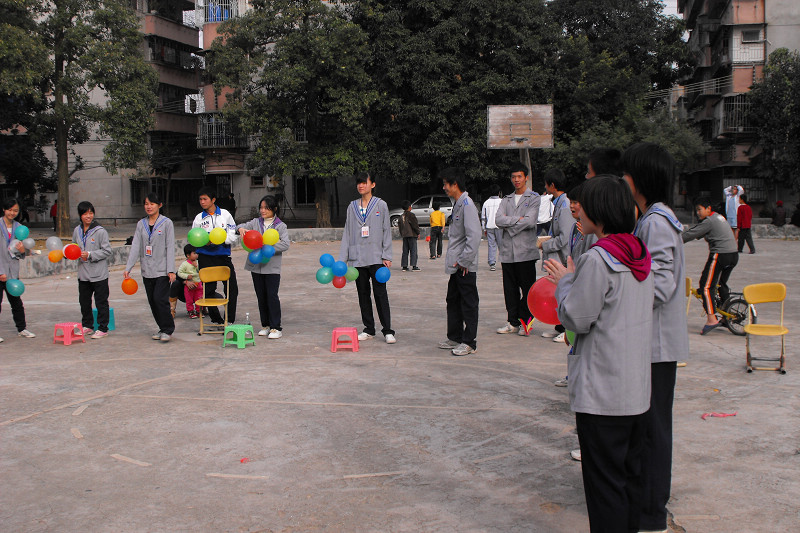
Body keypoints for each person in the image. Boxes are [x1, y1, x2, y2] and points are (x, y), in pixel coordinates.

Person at [543, 175, 654, 533]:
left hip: (602, 395)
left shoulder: (598, 259)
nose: (578, 209)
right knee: (629, 481)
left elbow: (576, 316)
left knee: (604, 487)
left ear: (600, 212)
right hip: (634, 391)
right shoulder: (638, 253)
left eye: (584, 204)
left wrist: (565, 280)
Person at [622, 142, 689, 532]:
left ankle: (650, 513)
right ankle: (646, 504)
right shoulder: (650, 218)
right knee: (648, 429)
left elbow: (660, 286)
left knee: (652, 431)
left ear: (641, 179)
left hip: (656, 346)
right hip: (651, 344)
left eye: (627, 174)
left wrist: (618, 293)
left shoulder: (655, 223)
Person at [338, 172, 395, 344]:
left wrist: (387, 255)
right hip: (357, 258)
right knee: (363, 294)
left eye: (364, 182)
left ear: (373, 185)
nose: (361, 185)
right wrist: (343, 259)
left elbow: (387, 231)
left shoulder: (381, 205)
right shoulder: (352, 206)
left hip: (376, 257)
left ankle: (388, 330)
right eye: (359, 183)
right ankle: (369, 328)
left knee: (380, 294)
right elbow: (347, 233)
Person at [437, 167, 481, 356]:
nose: (444, 187)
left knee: (468, 303)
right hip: (457, 265)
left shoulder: (468, 205)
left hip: (464, 266)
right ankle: (454, 336)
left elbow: (475, 235)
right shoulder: (458, 204)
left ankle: (469, 341)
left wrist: (464, 261)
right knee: (453, 300)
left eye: (446, 184)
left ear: (455, 184)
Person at [493, 163, 540, 336]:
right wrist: (517, 220)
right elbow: (498, 220)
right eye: (513, 177)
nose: (516, 180)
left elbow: (530, 221)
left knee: (528, 289)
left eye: (519, 176)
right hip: (508, 253)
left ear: (526, 177)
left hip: (526, 252)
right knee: (510, 290)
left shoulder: (534, 198)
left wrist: (509, 223)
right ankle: (512, 322)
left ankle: (526, 322)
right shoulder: (506, 199)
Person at [123, 193, 176, 342]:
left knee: (160, 299)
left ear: (159, 205)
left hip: (162, 269)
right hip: (147, 270)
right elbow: (136, 246)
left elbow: (170, 246)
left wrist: (171, 270)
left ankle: (168, 329)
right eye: (146, 204)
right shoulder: (141, 224)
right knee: (152, 301)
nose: (148, 206)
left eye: (152, 203)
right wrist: (129, 267)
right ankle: (162, 328)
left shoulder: (166, 223)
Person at [681, 196, 738, 335]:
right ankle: (727, 316)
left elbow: (689, 235)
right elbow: (698, 232)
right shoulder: (719, 217)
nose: (698, 213)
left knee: (706, 286)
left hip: (720, 254)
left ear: (708, 209)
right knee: (721, 284)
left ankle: (712, 319)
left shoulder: (709, 222)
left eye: (699, 209)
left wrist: (673, 240)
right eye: (696, 210)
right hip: (733, 255)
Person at [237, 194, 291, 338]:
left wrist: (267, 245)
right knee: (261, 296)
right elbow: (240, 226)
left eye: (266, 208)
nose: (262, 211)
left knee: (272, 296)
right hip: (256, 266)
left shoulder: (280, 226)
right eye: (261, 208)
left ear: (274, 209)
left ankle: (276, 327)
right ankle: (265, 325)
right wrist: (241, 229)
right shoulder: (255, 222)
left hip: (272, 267)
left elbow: (285, 244)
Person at [192, 187, 238, 324]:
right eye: (200, 199)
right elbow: (194, 237)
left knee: (232, 288)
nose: (202, 202)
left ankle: (229, 319)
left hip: (223, 256)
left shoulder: (225, 214)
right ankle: (216, 319)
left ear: (213, 200)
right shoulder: (198, 218)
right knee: (208, 290)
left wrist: (221, 240)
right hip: (205, 257)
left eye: (205, 199)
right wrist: (204, 241)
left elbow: (233, 233)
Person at [539, 168, 571, 342]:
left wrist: (546, 244)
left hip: (563, 258)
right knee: (556, 293)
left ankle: (566, 329)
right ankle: (559, 326)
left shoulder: (565, 206)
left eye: (546, 184)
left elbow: (564, 238)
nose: (545, 187)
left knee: (564, 292)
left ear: (552, 185)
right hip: (556, 257)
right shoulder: (558, 203)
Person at [73, 201, 113, 339]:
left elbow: (107, 251)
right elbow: (74, 246)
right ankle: (87, 326)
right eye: (85, 213)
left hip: (99, 274)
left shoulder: (100, 231)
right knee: (84, 301)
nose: (88, 216)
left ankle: (103, 328)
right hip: (83, 274)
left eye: (90, 213)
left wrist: (90, 254)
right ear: (80, 215)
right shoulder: (77, 230)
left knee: (101, 302)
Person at [0, 198, 36, 341]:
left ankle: (22, 328)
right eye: (10, 210)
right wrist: (0, 271)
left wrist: (23, 250)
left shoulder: (19, 227)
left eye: (15, 210)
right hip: (1, 271)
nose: (12, 213)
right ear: (4, 209)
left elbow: (22, 252)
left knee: (16, 303)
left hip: (13, 273)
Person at [178, 244, 203, 319]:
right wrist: (186, 276)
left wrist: (197, 266)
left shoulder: (198, 263)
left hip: (198, 284)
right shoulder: (185, 264)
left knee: (199, 298)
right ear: (188, 255)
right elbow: (179, 272)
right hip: (189, 285)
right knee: (189, 299)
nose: (196, 255)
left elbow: (202, 271)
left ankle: (199, 311)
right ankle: (191, 311)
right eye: (194, 253)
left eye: (197, 253)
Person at [480, 190, 502, 270]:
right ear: (499, 192)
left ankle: (492, 263)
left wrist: (484, 228)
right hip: (500, 226)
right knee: (501, 245)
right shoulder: (501, 202)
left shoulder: (486, 203)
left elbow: (483, 217)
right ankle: (504, 261)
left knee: (491, 245)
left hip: (489, 226)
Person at [398, 200, 421, 272]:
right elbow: (415, 225)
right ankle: (414, 265)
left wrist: (402, 234)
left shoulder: (401, 216)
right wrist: (418, 233)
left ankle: (404, 266)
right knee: (413, 250)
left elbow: (400, 227)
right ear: (409, 207)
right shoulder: (411, 215)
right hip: (412, 235)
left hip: (405, 235)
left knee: (405, 251)